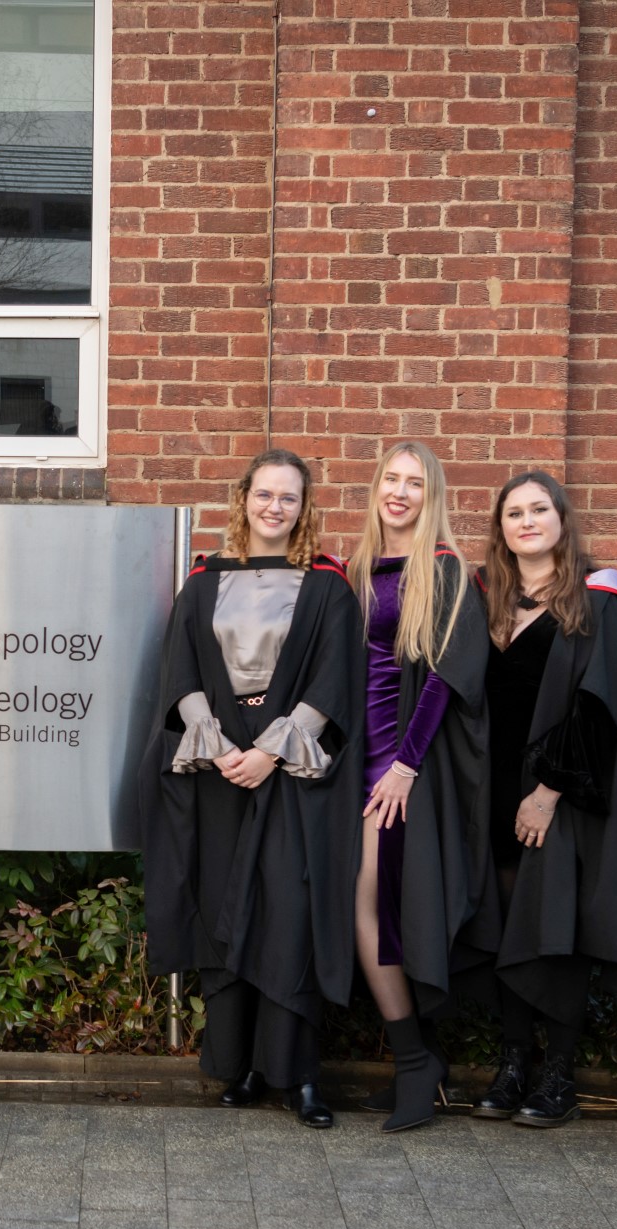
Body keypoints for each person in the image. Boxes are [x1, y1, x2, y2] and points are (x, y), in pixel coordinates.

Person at [142, 449, 357, 1129]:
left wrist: (269, 750)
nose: (274, 508)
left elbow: (333, 677)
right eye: (264, 495)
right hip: (218, 771)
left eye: (288, 498)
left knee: (289, 915)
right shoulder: (203, 583)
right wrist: (221, 742)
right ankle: (237, 1069)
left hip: (290, 776)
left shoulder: (326, 586)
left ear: (304, 506)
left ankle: (297, 1077)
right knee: (222, 909)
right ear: (243, 499)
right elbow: (179, 667)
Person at [471, 472, 617, 1129]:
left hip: (563, 793)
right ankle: (513, 1064)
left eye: (537, 509)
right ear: (501, 528)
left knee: (556, 928)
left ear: (561, 521)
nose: (525, 521)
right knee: (510, 923)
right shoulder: (486, 600)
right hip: (493, 792)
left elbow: (599, 711)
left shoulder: (598, 602)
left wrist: (547, 792)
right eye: (512, 512)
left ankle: (558, 1074)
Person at [331, 442, 491, 1133]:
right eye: (390, 480)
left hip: (400, 765)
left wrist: (404, 765)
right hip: (351, 761)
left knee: (372, 905)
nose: (398, 493)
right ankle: (418, 1058)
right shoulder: (356, 568)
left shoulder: (444, 569)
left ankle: (413, 1061)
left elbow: (446, 677)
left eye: (414, 484)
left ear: (432, 496)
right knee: (367, 906)